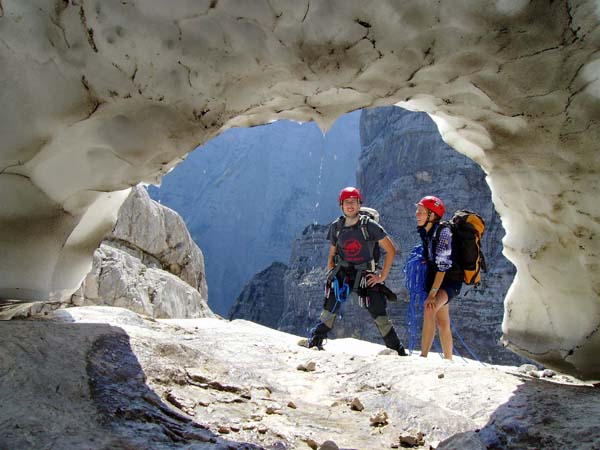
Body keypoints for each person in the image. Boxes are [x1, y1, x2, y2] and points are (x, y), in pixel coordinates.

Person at [308, 187, 407, 356]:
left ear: (360, 204)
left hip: (365, 275)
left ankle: (397, 350)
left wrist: (381, 276)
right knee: (330, 306)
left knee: (378, 312)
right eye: (347, 202)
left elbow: (391, 250)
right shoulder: (336, 227)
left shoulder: (370, 226)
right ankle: (316, 341)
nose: (350, 205)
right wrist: (331, 270)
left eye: (354, 201)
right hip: (342, 272)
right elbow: (332, 252)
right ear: (341, 205)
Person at [415, 195, 463, 360]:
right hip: (437, 280)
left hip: (449, 281)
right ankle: (448, 359)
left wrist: (432, 294)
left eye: (420, 211)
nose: (417, 214)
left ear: (432, 215)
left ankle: (423, 356)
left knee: (430, 308)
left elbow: (442, 268)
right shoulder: (427, 232)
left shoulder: (443, 234)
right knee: (442, 322)